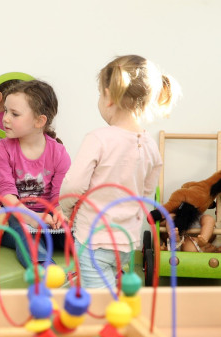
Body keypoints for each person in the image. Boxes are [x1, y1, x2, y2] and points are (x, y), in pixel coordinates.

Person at [59, 55, 180, 288]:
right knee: (109, 292)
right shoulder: (150, 146)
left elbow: (73, 186)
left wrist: (64, 208)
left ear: (109, 97)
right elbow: (145, 198)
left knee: (97, 303)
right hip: (126, 243)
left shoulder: (98, 139)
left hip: (93, 241)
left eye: (99, 94)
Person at [0, 80, 71, 268]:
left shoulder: (58, 153)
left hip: (47, 216)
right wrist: (33, 219)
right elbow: (7, 197)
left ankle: (99, 265)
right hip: (17, 215)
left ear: (39, 121)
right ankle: (44, 267)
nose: (5, 118)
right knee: (25, 234)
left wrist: (59, 213)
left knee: (74, 231)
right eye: (5, 111)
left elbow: (58, 196)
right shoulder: (2, 151)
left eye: (14, 114)